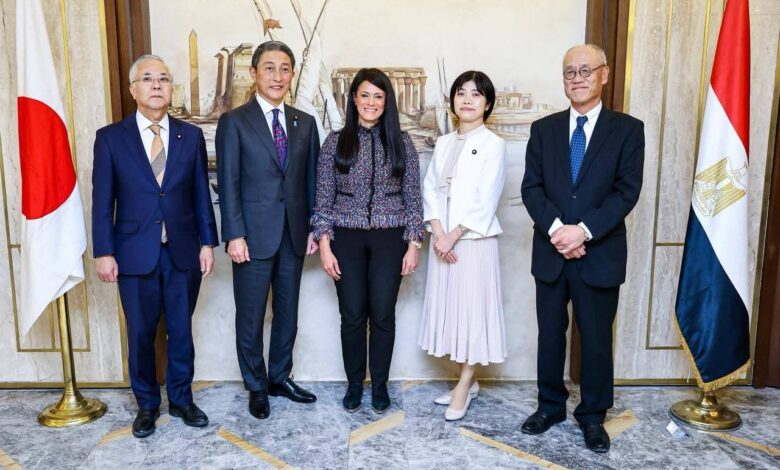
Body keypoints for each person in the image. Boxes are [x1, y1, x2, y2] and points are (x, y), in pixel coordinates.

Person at [520, 44, 644, 453]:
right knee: (550, 336)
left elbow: (626, 192)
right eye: (570, 72)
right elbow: (531, 188)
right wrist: (560, 232)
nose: (577, 78)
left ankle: (592, 416)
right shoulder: (544, 129)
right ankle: (550, 406)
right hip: (551, 252)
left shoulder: (628, 130)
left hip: (599, 253)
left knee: (595, 339)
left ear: (604, 74)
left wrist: (583, 232)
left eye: (586, 70)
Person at [92, 55, 218, 438]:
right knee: (140, 334)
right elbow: (103, 201)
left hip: (182, 250)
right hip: (133, 253)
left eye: (163, 78)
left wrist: (208, 243)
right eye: (147, 79)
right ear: (134, 89)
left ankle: (181, 399)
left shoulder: (190, 136)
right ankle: (147, 405)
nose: (157, 85)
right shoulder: (111, 138)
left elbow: (200, 193)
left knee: (181, 331)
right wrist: (104, 252)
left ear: (171, 88)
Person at [215, 41, 320, 420]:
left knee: (287, 313)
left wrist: (313, 227)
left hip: (293, 234)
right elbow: (228, 182)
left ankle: (279, 377)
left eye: (285, 68)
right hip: (251, 237)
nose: (278, 76)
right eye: (270, 68)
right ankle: (256, 386)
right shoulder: (234, 122)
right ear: (254, 73)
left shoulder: (305, 123)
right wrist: (234, 234)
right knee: (251, 315)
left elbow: (311, 181)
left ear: (292, 75)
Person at [312, 68, 424, 414]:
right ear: (354, 99)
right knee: (352, 316)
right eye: (365, 95)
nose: (371, 102)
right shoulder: (335, 142)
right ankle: (353, 384)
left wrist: (414, 244)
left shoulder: (402, 143)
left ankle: (379, 385)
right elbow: (323, 199)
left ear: (386, 102)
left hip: (390, 238)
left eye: (378, 96)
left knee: (383, 315)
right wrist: (325, 244)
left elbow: (413, 199)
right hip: (346, 238)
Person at [418, 71, 507, 421]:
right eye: (461, 93)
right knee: (453, 312)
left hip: (472, 242)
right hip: (443, 243)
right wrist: (439, 233)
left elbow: (487, 198)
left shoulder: (494, 144)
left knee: (472, 313)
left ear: (487, 103)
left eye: (475, 94)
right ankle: (466, 382)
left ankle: (464, 385)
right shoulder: (443, 142)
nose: (467, 99)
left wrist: (452, 236)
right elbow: (430, 188)